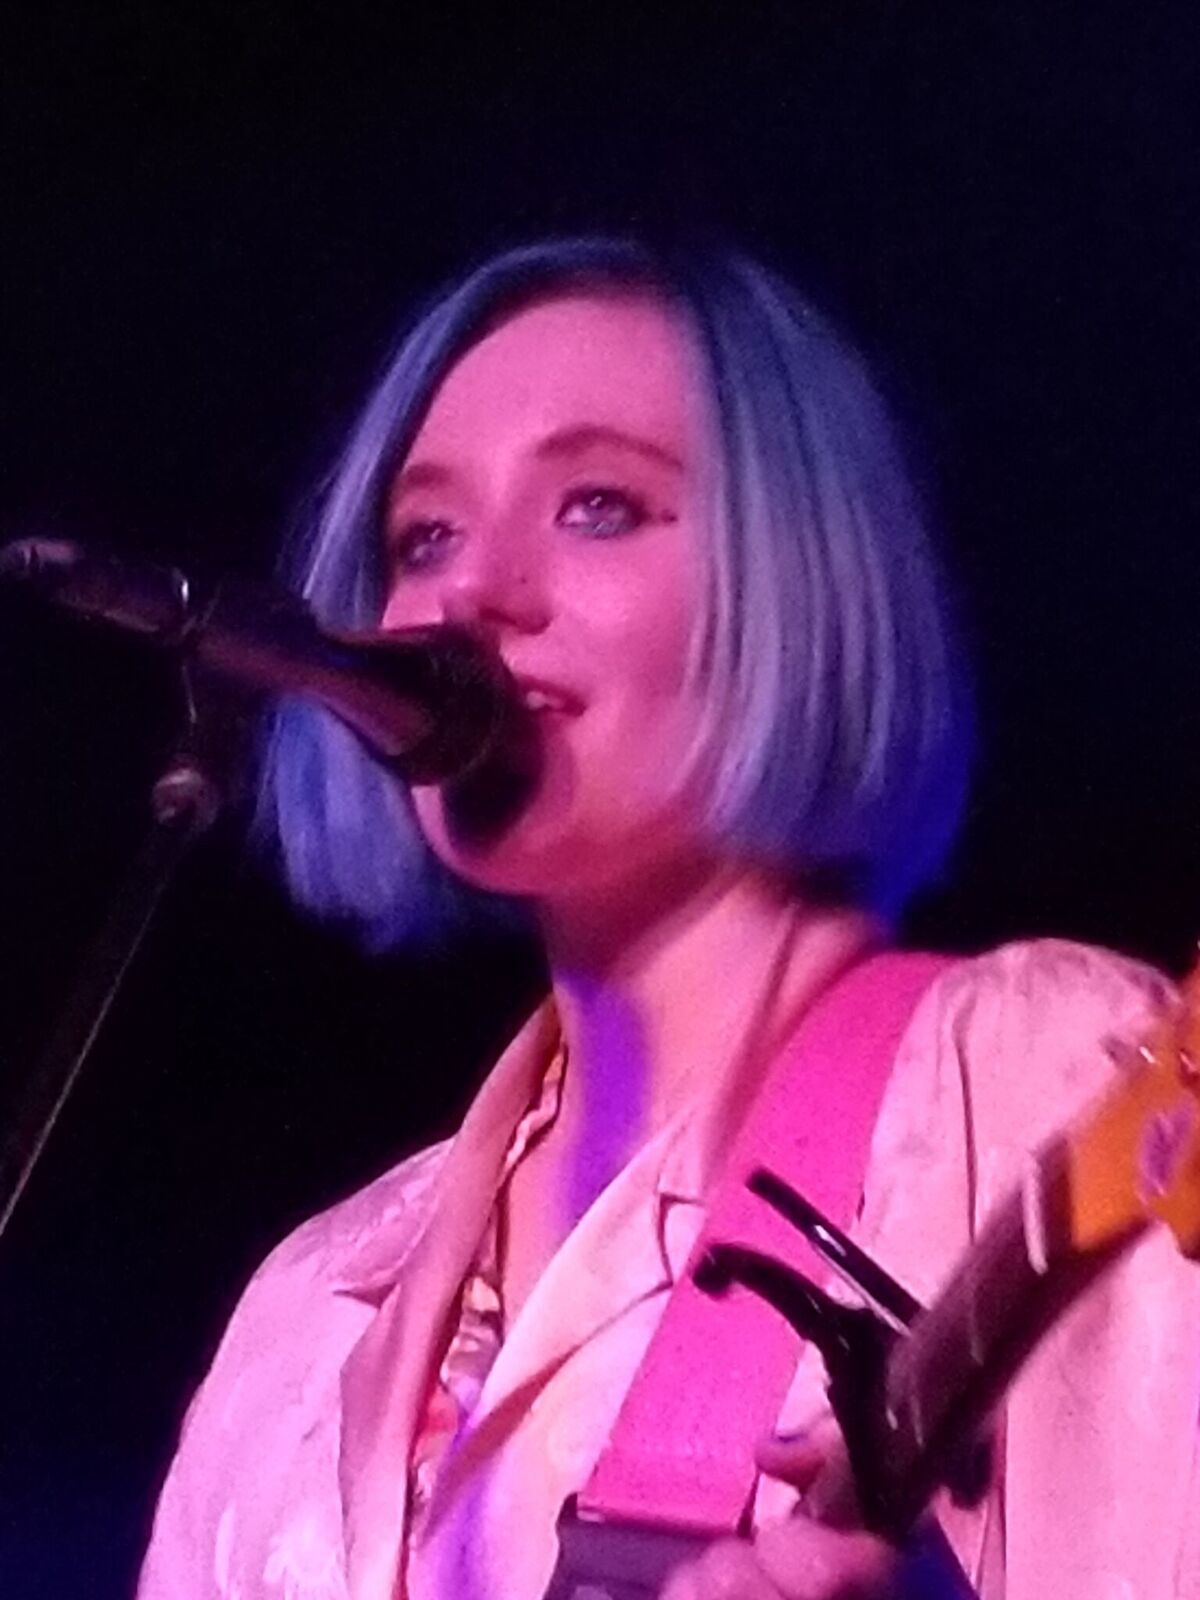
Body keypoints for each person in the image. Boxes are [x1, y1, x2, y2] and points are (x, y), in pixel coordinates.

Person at [137, 239, 1200, 1600]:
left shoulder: (1027, 1088)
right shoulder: (306, 1317)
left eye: (597, 507)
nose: (468, 596)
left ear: (799, 582)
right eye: (424, 537)